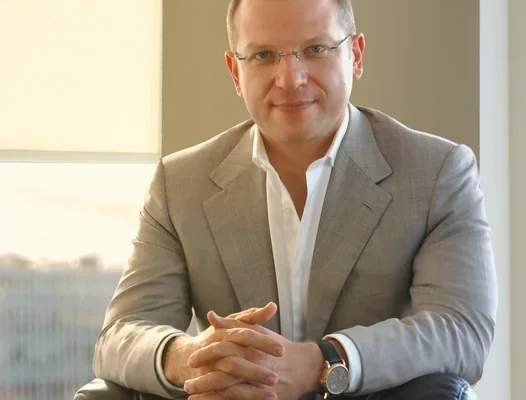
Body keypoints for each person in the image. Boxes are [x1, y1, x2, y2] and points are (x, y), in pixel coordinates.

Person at [89, 0, 498, 399]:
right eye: (263, 55)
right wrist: (193, 357)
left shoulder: (436, 173)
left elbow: (460, 329)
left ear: (355, 56)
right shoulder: (179, 183)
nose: (289, 78)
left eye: (315, 49)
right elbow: (121, 334)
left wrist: (323, 361)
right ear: (235, 72)